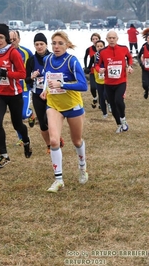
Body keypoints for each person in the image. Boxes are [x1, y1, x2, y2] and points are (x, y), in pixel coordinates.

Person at [40, 31, 88, 193]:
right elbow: (47, 77)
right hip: (54, 105)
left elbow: (83, 85)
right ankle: (58, 180)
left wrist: (63, 84)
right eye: (54, 43)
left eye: (60, 43)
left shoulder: (72, 61)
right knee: (54, 141)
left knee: (77, 141)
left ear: (67, 44)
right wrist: (45, 89)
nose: (56, 46)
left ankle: (82, 168)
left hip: (73, 105)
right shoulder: (47, 60)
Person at [0, 24, 32, 170]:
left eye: (1, 37)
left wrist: (6, 74)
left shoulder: (13, 53)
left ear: (7, 38)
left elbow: (22, 74)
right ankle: (3, 155)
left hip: (14, 94)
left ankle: (26, 141)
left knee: (17, 125)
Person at [25, 32, 65, 154]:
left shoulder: (54, 58)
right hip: (37, 94)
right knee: (42, 124)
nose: (39, 47)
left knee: (48, 119)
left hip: (51, 93)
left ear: (46, 45)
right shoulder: (31, 61)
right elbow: (26, 79)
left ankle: (56, 138)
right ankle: (49, 144)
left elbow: (61, 74)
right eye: (37, 44)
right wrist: (31, 77)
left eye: (41, 44)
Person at [96, 30, 133, 133]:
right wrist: (100, 69)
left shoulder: (124, 48)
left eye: (113, 38)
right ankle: (119, 124)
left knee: (118, 100)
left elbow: (130, 58)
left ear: (117, 39)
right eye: (109, 38)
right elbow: (97, 65)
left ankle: (123, 119)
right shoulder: (102, 52)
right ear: (106, 39)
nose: (112, 40)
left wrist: (129, 66)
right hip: (108, 83)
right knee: (112, 104)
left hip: (121, 81)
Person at [9, 30, 36, 146]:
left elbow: (33, 66)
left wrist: (31, 78)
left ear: (19, 39)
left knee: (23, 114)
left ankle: (30, 113)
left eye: (14, 39)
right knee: (16, 116)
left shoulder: (26, 52)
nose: (12, 42)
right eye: (10, 40)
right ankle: (21, 138)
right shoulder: (4, 52)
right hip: (10, 89)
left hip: (23, 87)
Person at [87, 40, 110, 118]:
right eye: (98, 46)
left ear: (104, 46)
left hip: (108, 78)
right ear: (95, 47)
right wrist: (87, 69)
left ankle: (109, 104)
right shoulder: (94, 56)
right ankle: (104, 112)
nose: (99, 48)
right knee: (101, 95)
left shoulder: (108, 54)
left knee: (106, 94)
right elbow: (90, 65)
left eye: (101, 46)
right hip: (98, 78)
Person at [83, 33, 101, 109]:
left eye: (96, 39)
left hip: (101, 71)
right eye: (93, 39)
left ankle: (101, 103)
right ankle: (94, 97)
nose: (95, 40)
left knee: (100, 88)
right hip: (92, 71)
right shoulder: (89, 49)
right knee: (93, 87)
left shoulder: (103, 48)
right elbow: (85, 57)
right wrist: (86, 67)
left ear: (99, 39)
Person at [137, 28, 149, 99]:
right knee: (145, 85)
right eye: (148, 38)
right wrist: (141, 65)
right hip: (145, 69)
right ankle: (146, 90)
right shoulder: (144, 47)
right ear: (147, 39)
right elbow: (138, 56)